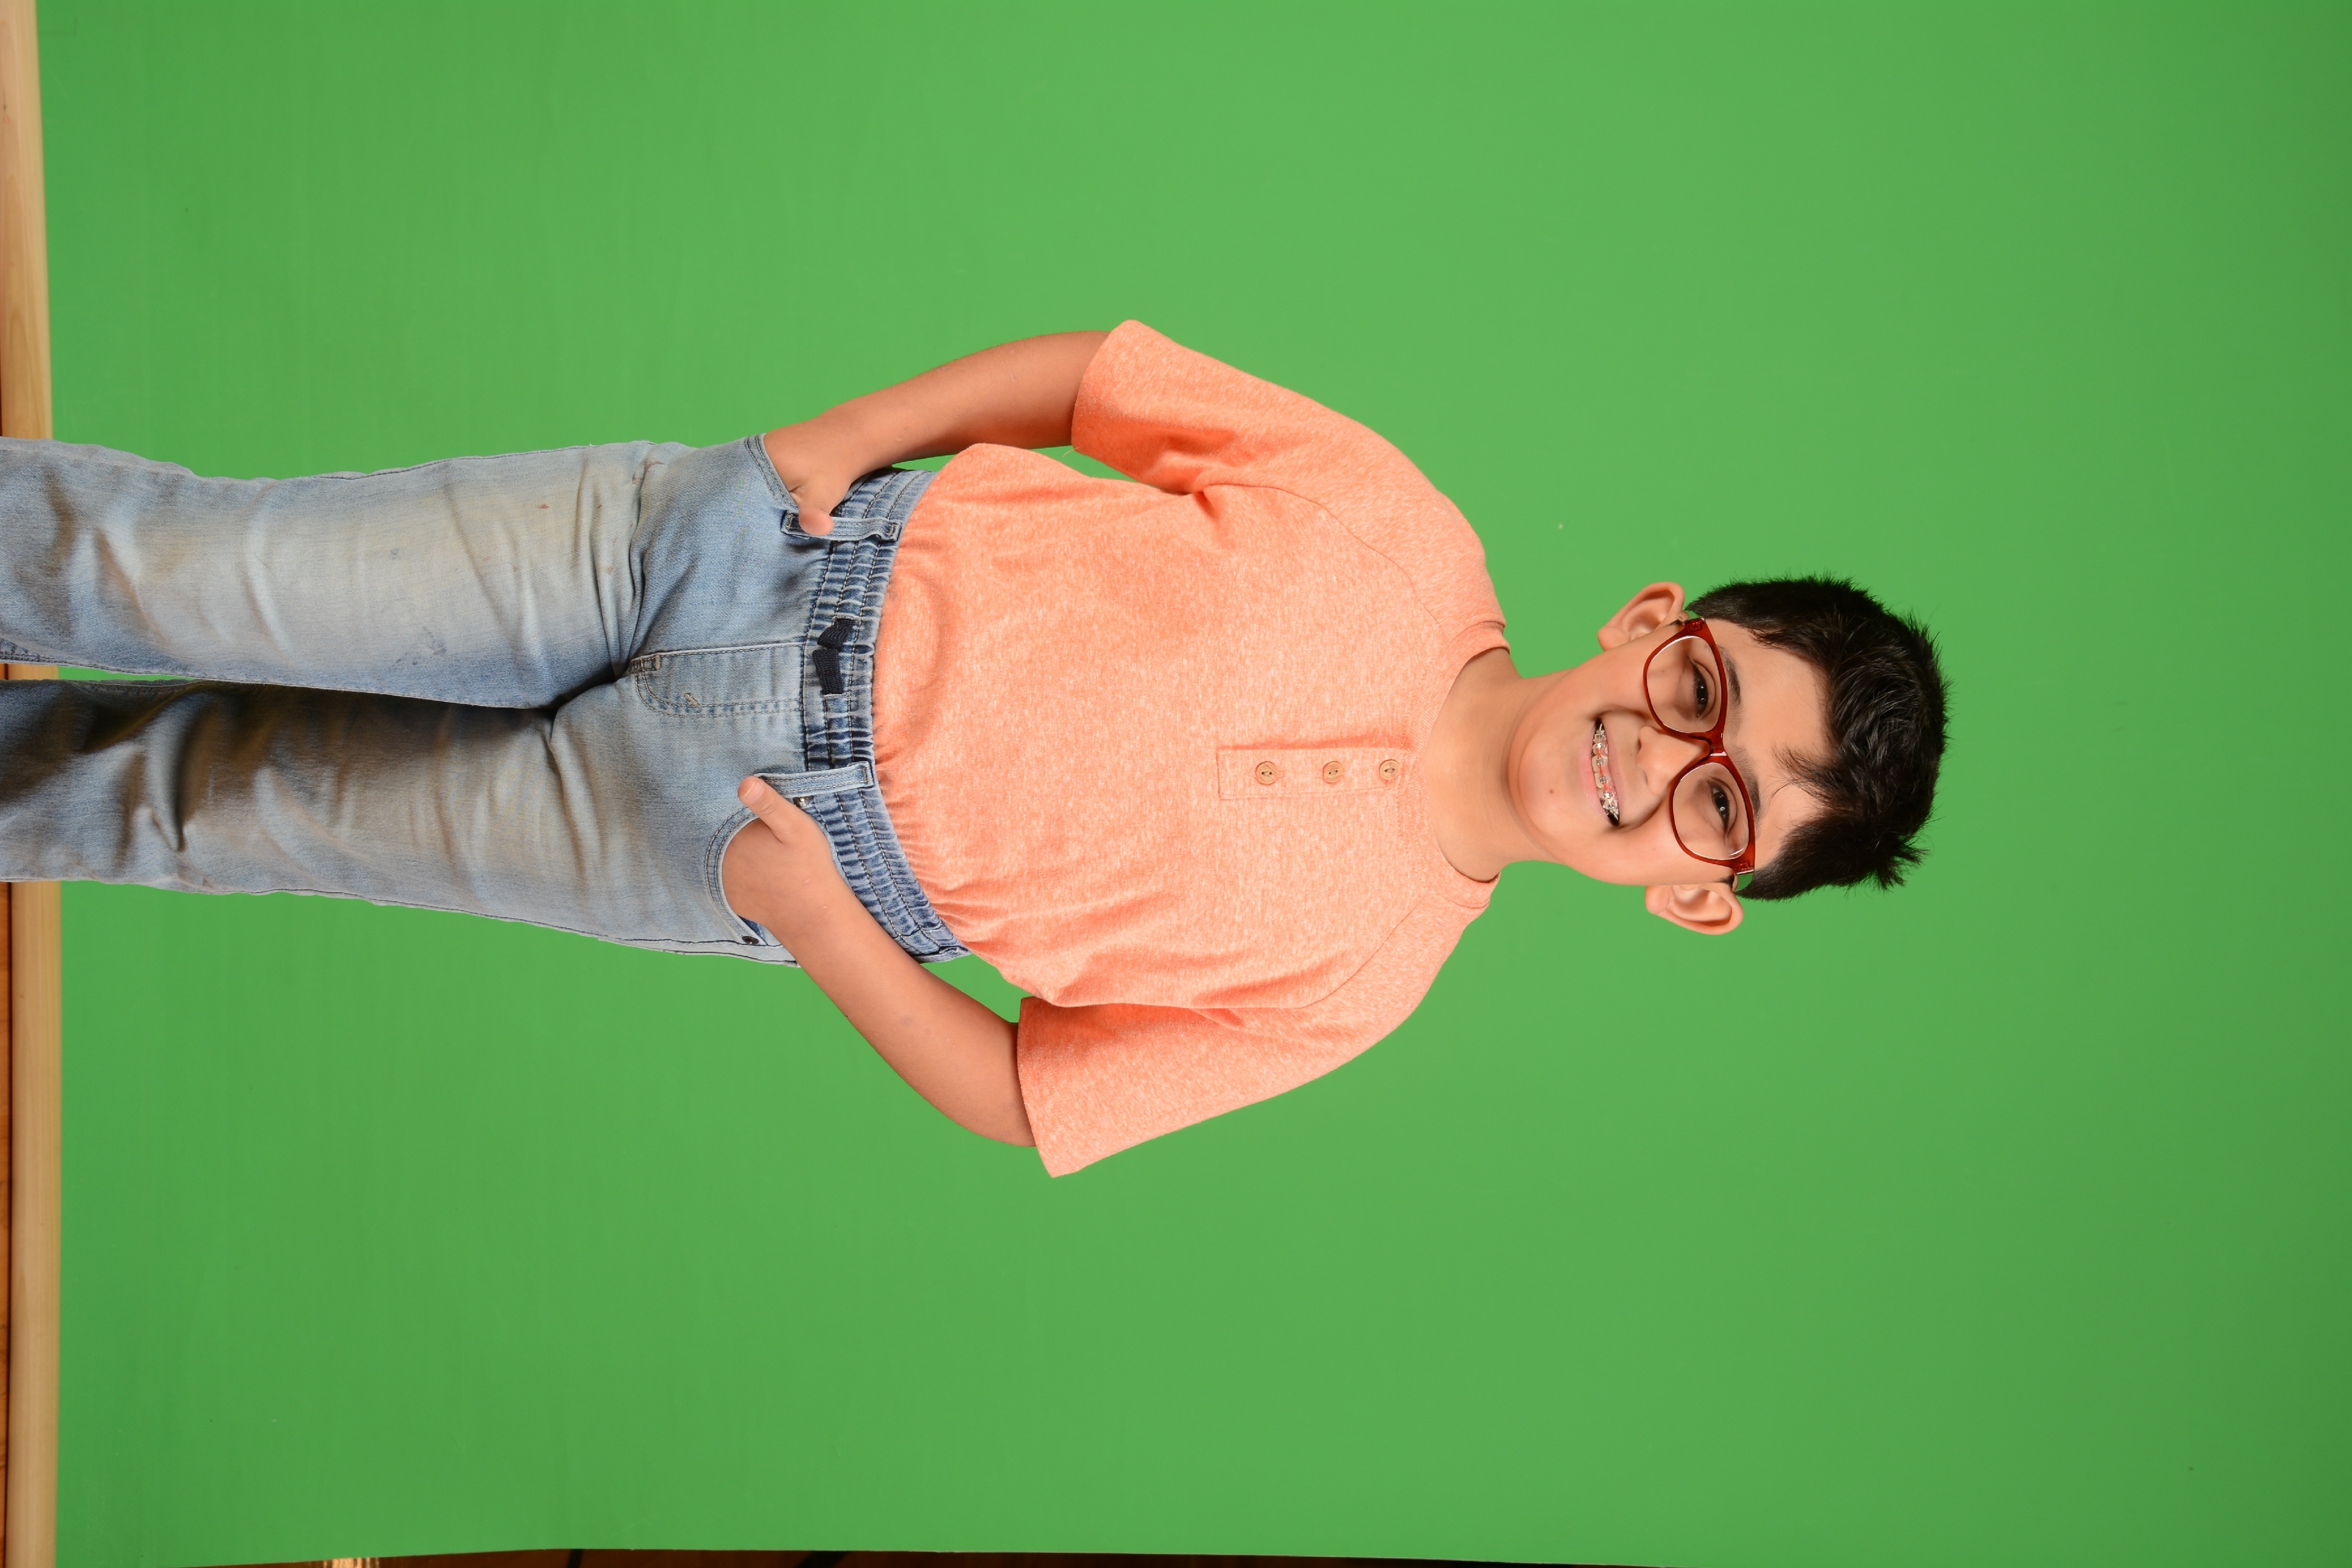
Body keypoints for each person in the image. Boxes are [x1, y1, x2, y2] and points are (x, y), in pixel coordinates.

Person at [0, 324, 1947, 1174]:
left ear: (1698, 891)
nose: (1654, 753)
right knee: (192, 574)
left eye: (1713, 802)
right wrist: (842, 441)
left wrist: (820, 926)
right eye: (1699, 687)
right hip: (745, 554)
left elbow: (1031, 1094)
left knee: (226, 805)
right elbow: (1099, 384)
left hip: (724, 843)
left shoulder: (1360, 987)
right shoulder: (1395, 526)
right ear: (1655, 620)